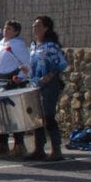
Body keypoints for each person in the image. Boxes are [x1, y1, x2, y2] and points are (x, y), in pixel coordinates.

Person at [25, 15, 68, 162]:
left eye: (38, 25)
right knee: (37, 117)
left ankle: (56, 150)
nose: (35, 28)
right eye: (34, 25)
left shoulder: (51, 46)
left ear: (46, 28)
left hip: (49, 85)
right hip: (35, 84)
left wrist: (50, 75)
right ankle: (39, 148)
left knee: (48, 116)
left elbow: (61, 63)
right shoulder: (33, 45)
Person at [0, 20, 31, 156]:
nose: (5, 31)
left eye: (9, 29)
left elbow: (26, 63)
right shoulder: (2, 43)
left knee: (14, 114)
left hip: (12, 82)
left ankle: (19, 145)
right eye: (5, 28)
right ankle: (2, 143)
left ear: (16, 32)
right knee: (1, 114)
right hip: (0, 82)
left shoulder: (18, 45)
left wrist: (19, 77)